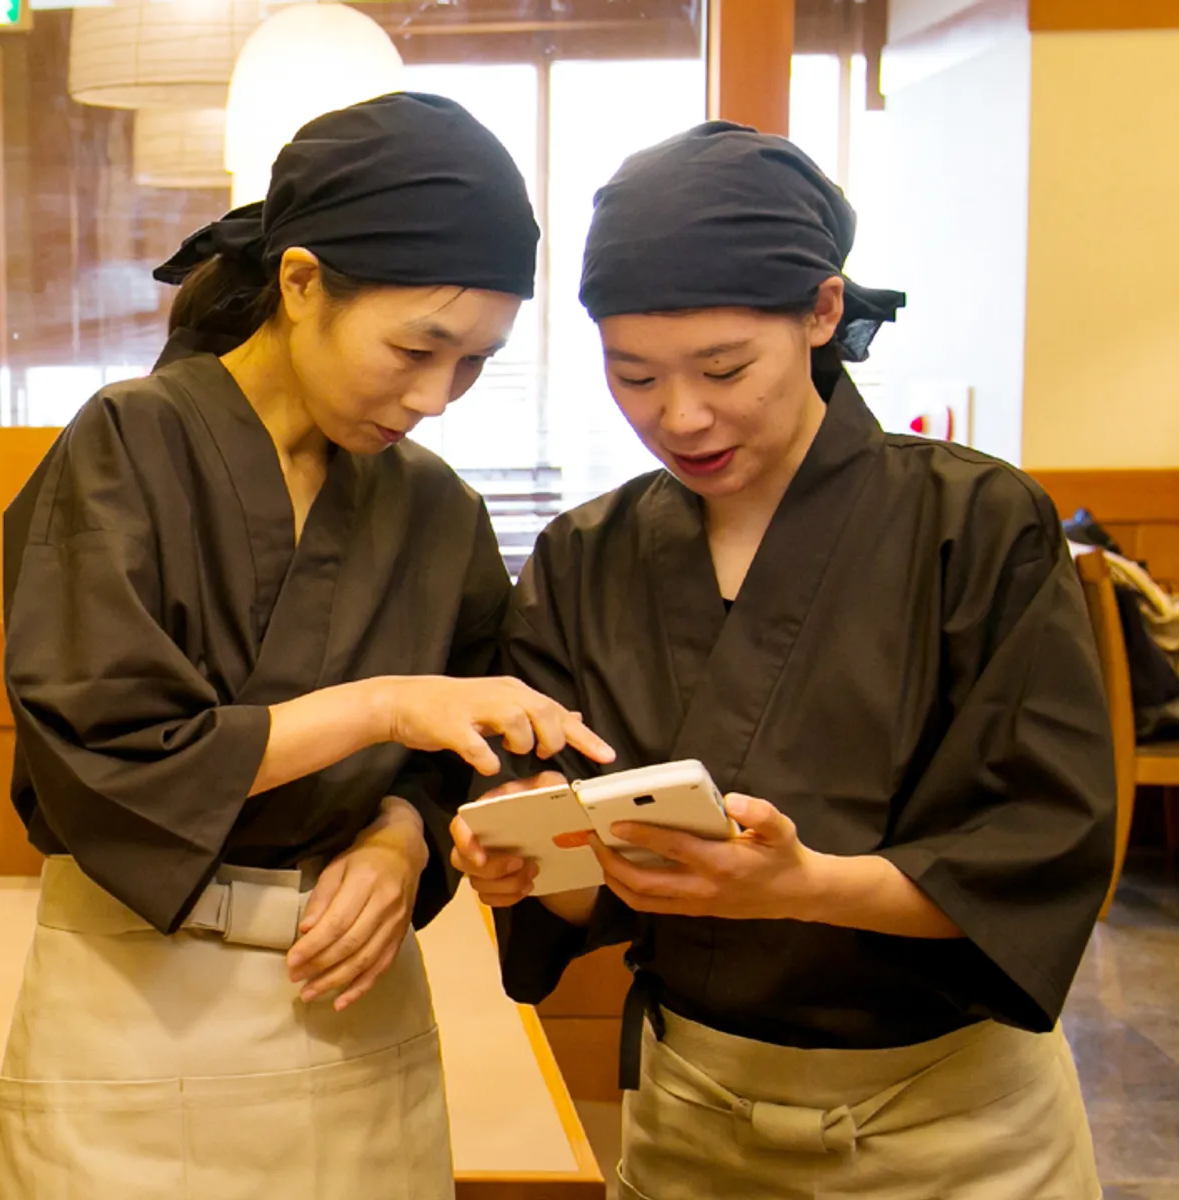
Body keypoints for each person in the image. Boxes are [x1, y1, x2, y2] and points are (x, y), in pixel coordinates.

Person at [451, 123, 1114, 1200]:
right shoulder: (585, 555)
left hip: (950, 1132)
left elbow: (1035, 846)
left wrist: (804, 887)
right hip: (690, 1118)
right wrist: (531, 865)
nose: (681, 416)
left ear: (820, 312)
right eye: (634, 376)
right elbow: (580, 852)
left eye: (722, 368)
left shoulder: (978, 522)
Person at [0, 92, 613, 1200]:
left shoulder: (435, 506)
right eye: (417, 347)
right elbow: (109, 751)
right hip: (137, 1004)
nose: (436, 397)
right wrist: (380, 705)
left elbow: (465, 742)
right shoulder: (129, 446)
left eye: (473, 363)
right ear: (301, 281)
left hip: (353, 1004)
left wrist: (402, 839)